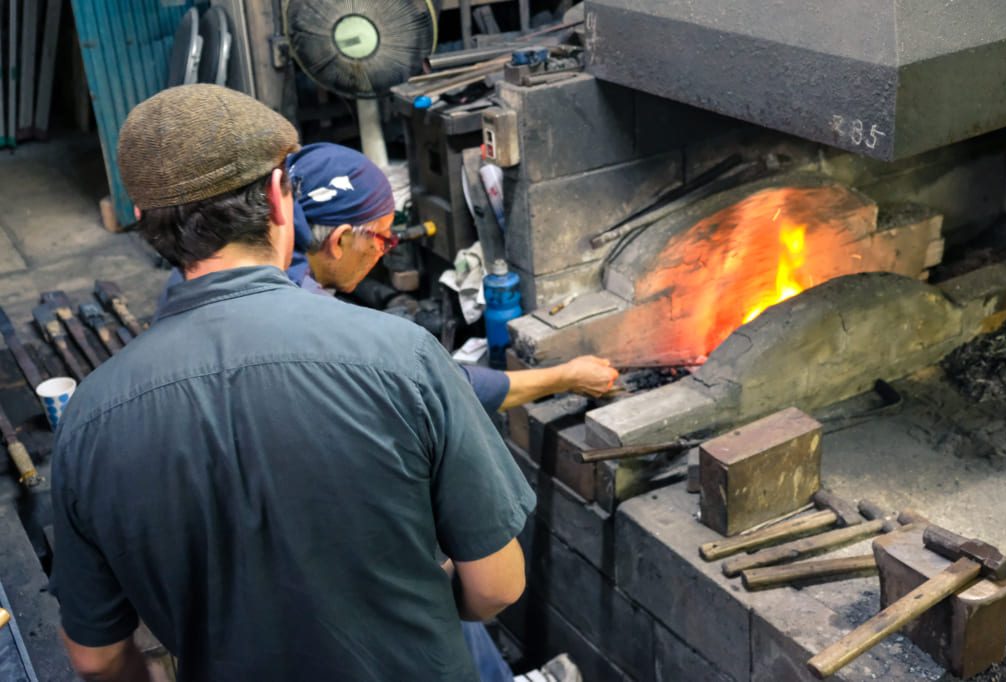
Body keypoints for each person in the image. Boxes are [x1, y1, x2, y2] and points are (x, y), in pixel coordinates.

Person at [50, 84, 536, 682]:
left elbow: (94, 658)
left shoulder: (90, 417)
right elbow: (497, 586)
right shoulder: (400, 356)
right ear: (282, 200)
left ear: (146, 223)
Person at [282, 141, 619, 415]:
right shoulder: (321, 327)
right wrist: (566, 376)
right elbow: (447, 389)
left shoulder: (272, 270)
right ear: (340, 240)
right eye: (383, 238)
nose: (386, 251)